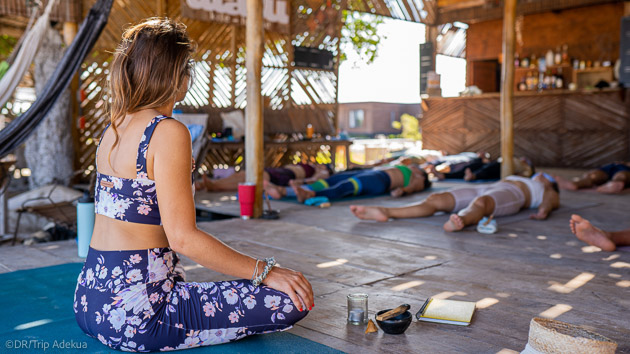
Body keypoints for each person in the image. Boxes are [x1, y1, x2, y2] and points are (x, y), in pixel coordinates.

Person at [74, 19, 312, 352]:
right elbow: (183, 238)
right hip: (139, 315)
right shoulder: (167, 131)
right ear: (179, 77)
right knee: (289, 298)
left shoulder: (114, 128)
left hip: (90, 304)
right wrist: (265, 271)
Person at [350, 173, 559, 232]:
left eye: (545, 176)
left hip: (514, 195)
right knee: (436, 199)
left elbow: (550, 199)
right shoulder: (528, 176)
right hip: (492, 184)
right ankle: (385, 211)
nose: (541, 175)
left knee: (482, 202)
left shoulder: (547, 188)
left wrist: (544, 210)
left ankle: (461, 219)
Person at [264, 165, 431, 203]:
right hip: (373, 172)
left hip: (381, 181)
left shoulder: (420, 178)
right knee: (329, 180)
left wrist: (402, 191)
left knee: (346, 186)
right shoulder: (406, 165)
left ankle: (310, 194)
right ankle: (284, 191)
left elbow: (412, 188)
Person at [195, 163, 331, 192]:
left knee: (250, 179)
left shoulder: (323, 172)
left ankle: (215, 186)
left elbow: (314, 180)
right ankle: (213, 183)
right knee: (242, 174)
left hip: (285, 176)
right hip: (278, 170)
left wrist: (298, 182)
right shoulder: (312, 165)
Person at [555, 162, 630, 194]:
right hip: (611, 166)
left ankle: (615, 183)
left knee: (622, 175)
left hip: (626, 169)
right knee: (595, 175)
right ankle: (574, 184)